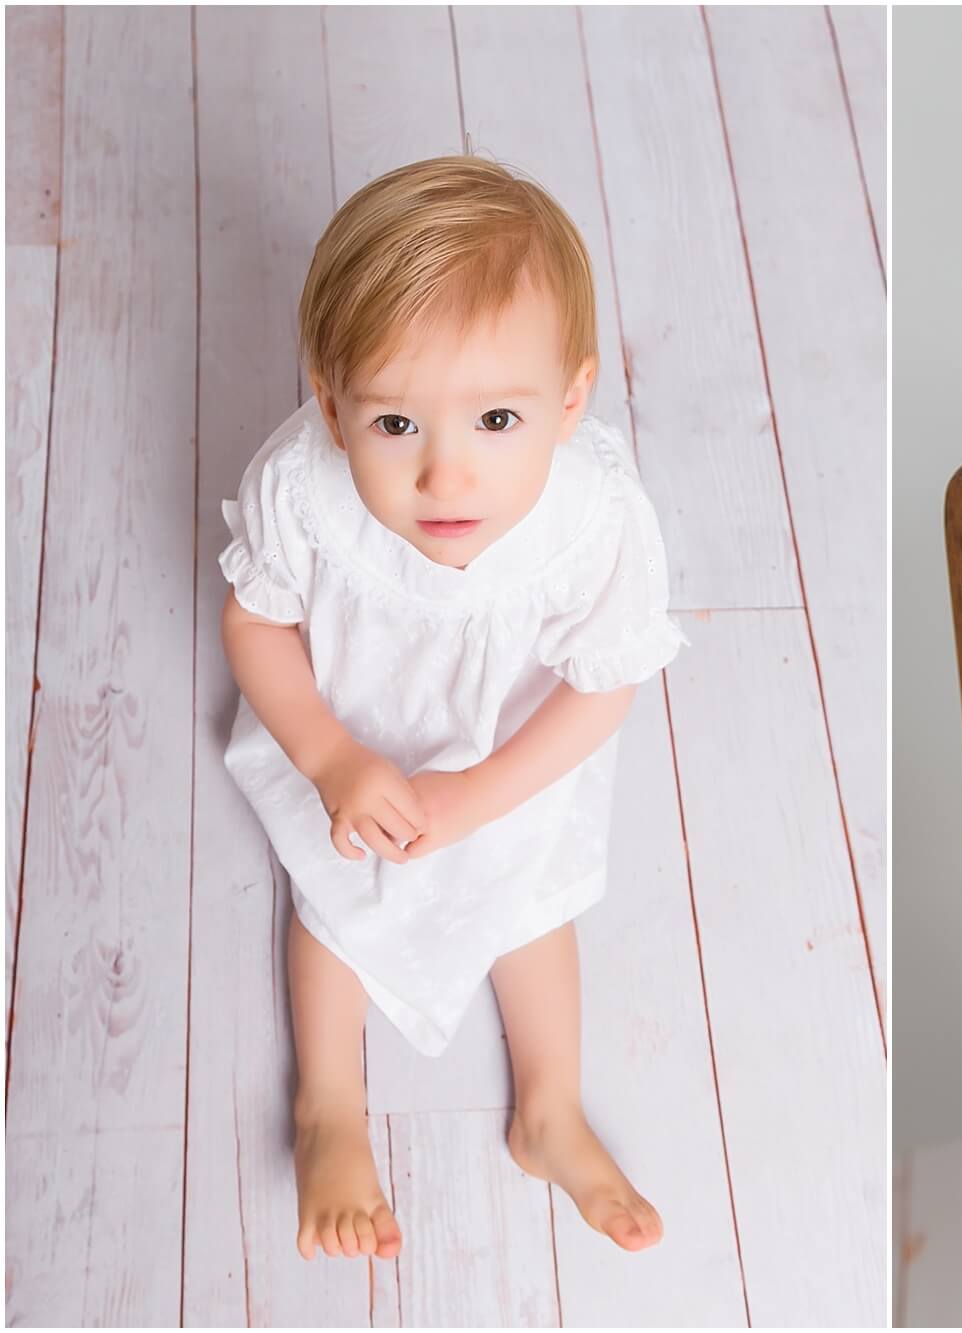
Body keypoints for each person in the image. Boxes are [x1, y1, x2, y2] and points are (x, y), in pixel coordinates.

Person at [218, 154, 687, 1264]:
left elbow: (602, 682)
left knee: (534, 904)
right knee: (333, 902)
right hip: (353, 729)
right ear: (332, 406)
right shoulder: (302, 489)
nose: (446, 477)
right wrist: (331, 756)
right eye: (394, 426)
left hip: (506, 750)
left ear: (570, 401)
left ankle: (550, 1106)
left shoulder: (592, 517)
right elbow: (256, 626)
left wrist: (477, 799)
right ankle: (329, 1102)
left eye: (494, 420)